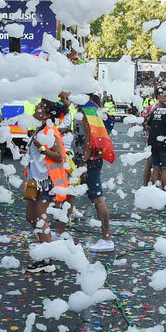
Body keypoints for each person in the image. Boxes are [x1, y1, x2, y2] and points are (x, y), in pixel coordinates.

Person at [23, 99, 70, 272]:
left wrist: (41, 148)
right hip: (34, 182)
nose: (36, 107)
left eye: (41, 106)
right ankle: (47, 249)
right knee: (32, 217)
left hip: (45, 182)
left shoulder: (51, 131)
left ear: (49, 114)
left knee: (41, 220)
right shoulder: (41, 129)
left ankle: (47, 259)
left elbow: (59, 156)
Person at [67, 95, 114, 253]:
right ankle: (60, 232)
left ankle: (107, 239)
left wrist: (84, 163)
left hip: (88, 161)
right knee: (70, 192)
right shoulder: (86, 110)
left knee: (97, 198)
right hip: (84, 160)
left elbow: (90, 139)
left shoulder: (88, 111)